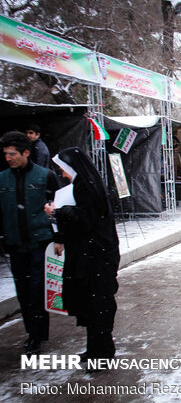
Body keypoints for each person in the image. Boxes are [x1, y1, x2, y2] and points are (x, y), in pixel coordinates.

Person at [43, 147, 119, 363]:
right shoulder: (84, 185)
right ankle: (94, 348)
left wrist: (57, 212)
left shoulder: (86, 188)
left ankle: (102, 352)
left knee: (98, 304)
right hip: (88, 255)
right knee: (89, 303)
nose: (63, 175)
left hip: (96, 256)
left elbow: (85, 219)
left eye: (63, 170)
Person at [0, 131, 59, 356]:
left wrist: (57, 237)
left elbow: (58, 208)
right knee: (23, 291)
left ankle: (37, 335)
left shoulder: (45, 176)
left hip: (40, 243)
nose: (8, 158)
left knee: (37, 290)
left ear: (26, 152)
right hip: (16, 245)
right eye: (5, 154)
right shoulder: (2, 179)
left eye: (12, 153)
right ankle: (30, 331)